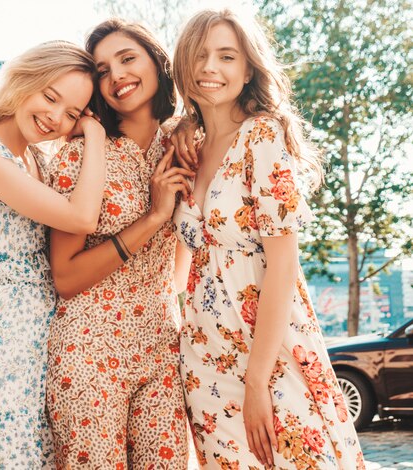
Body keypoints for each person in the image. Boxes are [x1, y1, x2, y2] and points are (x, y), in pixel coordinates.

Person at [171, 8, 366, 469]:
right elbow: (183, 269)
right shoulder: (188, 150)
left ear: (248, 68)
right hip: (203, 354)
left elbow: (283, 264)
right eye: (199, 56)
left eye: (226, 56)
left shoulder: (262, 135)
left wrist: (258, 381)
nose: (210, 69)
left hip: (270, 350)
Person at [0, 40, 106, 469]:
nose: (55, 117)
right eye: (50, 97)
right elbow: (81, 217)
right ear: (23, 81)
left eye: (72, 113)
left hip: (47, 332)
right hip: (5, 335)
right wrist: (95, 134)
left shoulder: (32, 158)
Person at [45, 19, 193, 469]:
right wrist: (152, 218)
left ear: (156, 61)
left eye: (127, 59)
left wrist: (191, 121)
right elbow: (66, 276)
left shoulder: (188, 143)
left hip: (163, 347)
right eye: (103, 70)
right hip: (90, 351)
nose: (117, 76)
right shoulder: (83, 153)